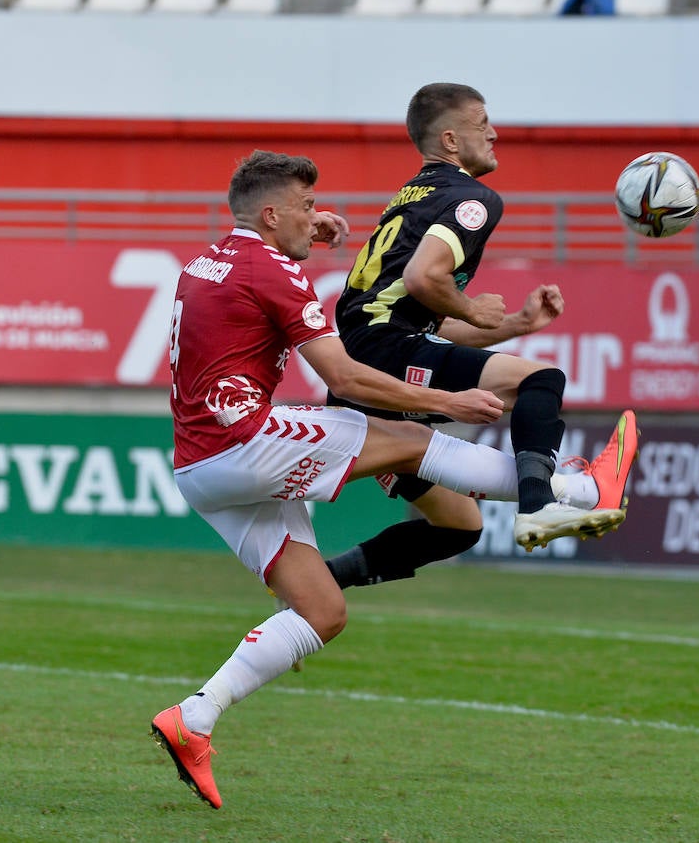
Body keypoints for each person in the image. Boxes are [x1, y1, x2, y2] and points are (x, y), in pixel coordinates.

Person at [150, 150, 627, 810]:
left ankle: (193, 718)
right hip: (243, 443)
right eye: (306, 206)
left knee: (322, 610)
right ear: (271, 213)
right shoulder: (273, 272)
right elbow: (342, 378)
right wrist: (449, 403)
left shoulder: (203, 264)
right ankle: (575, 491)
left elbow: (248, 292)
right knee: (406, 439)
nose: (318, 216)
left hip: (199, 467)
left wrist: (299, 240)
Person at [323, 82, 640, 596]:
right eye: (482, 123)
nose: (494, 133)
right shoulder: (472, 198)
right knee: (540, 379)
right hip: (382, 354)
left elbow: (416, 311)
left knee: (460, 525)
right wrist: (472, 306)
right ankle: (541, 507)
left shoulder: (413, 196)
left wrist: (513, 324)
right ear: (450, 140)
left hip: (369, 357)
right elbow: (428, 277)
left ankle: (318, 581)